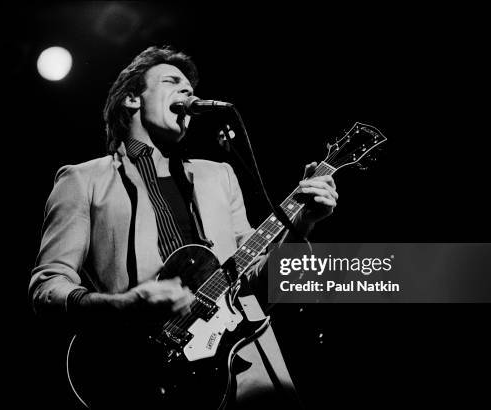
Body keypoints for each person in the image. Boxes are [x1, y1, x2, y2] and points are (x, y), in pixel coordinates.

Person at [29, 46, 338, 409]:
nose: (187, 93)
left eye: (190, 88)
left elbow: (257, 281)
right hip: (140, 370)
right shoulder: (83, 180)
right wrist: (121, 305)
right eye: (172, 82)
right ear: (132, 99)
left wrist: (303, 222)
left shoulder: (219, 175)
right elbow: (48, 286)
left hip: (247, 363)